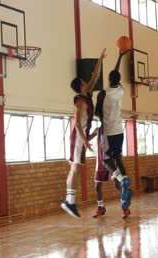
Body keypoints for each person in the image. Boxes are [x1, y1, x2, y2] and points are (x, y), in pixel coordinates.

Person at [61, 48, 107, 218]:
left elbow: (95, 76)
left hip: (81, 137)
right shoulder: (79, 102)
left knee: (74, 169)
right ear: (81, 84)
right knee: (75, 169)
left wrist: (100, 60)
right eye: (84, 81)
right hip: (78, 137)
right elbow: (78, 124)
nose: (88, 81)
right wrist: (85, 141)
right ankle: (69, 202)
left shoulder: (87, 95)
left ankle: (69, 201)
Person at [93, 49, 133, 219]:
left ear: (108, 80)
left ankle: (122, 179)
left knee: (106, 160)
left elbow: (96, 113)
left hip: (108, 131)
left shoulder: (103, 93)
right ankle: (124, 179)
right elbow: (115, 76)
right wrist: (120, 57)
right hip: (119, 130)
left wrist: (101, 113)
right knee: (118, 159)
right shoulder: (121, 91)